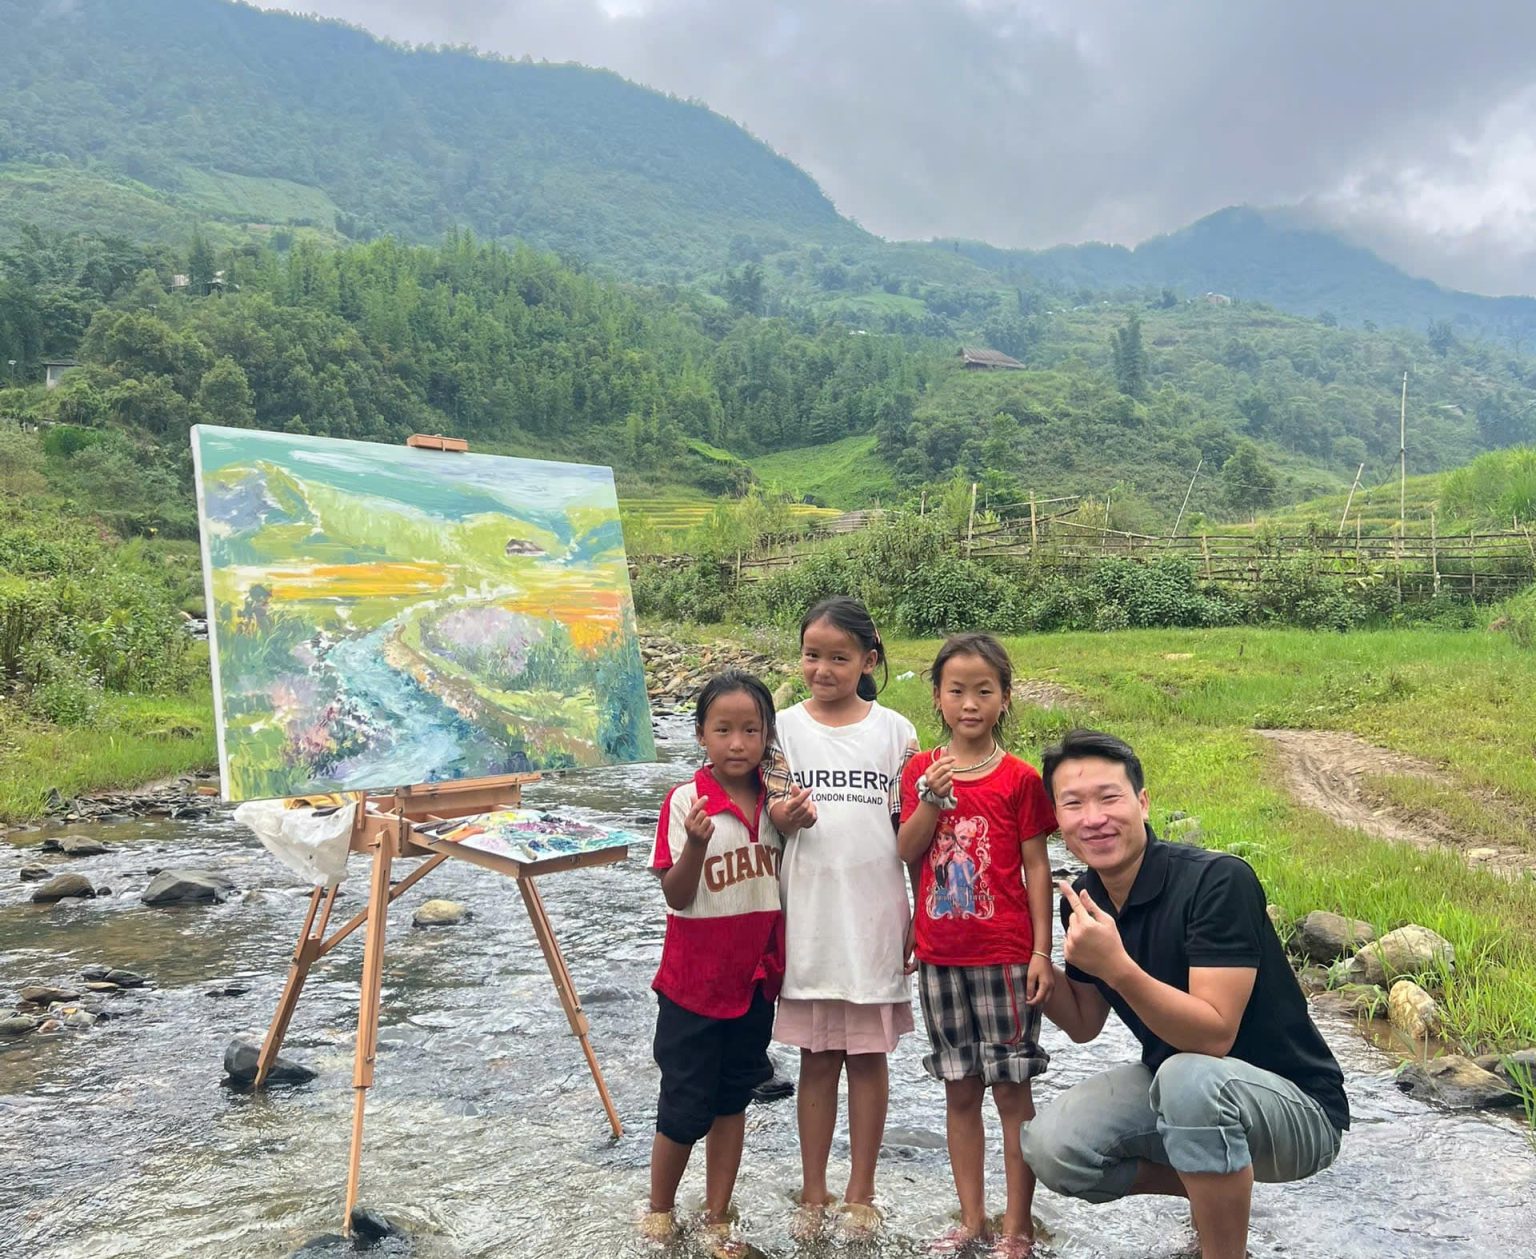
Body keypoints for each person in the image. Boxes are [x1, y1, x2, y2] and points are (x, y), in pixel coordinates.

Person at [1022, 729, 1348, 1259]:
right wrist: (1022, 952)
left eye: (1109, 798)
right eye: (1073, 804)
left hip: (1298, 1109)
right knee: (1054, 1148)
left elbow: (1213, 1037)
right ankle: (1219, 1185)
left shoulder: (1217, 882)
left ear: (1143, 802)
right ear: (1057, 818)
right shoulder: (1082, 898)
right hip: (1186, 1096)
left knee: (1188, 1076)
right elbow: (1083, 1022)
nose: (1094, 818)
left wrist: (1118, 967)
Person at [763, 596, 917, 1242]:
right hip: (810, 914)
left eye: (838, 657)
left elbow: (912, 829)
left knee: (870, 1057)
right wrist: (787, 815)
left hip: (876, 911)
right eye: (811, 655)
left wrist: (920, 915)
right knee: (817, 1056)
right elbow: (771, 809)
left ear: (868, 660)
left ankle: (861, 1190)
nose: (822, 669)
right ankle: (814, 1188)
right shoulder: (782, 728)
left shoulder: (896, 732)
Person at [897, 633, 1057, 1256]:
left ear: (1005, 699)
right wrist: (931, 801)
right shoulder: (920, 771)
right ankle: (972, 1220)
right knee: (959, 1089)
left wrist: (1041, 952)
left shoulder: (1020, 779)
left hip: (1005, 955)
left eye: (984, 691)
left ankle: (1016, 1226)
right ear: (937, 698)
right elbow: (906, 852)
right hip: (940, 955)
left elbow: (1037, 867)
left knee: (1013, 1091)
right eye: (957, 691)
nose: (970, 703)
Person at [642, 670, 785, 1258]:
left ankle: (717, 1213)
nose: (737, 743)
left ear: (768, 734)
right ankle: (659, 1209)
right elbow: (676, 895)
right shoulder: (686, 801)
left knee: (733, 1100)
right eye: (723, 730)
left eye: (751, 729)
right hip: (693, 986)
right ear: (700, 733)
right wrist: (697, 844)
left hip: (754, 983)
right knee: (682, 1106)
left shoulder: (777, 803)